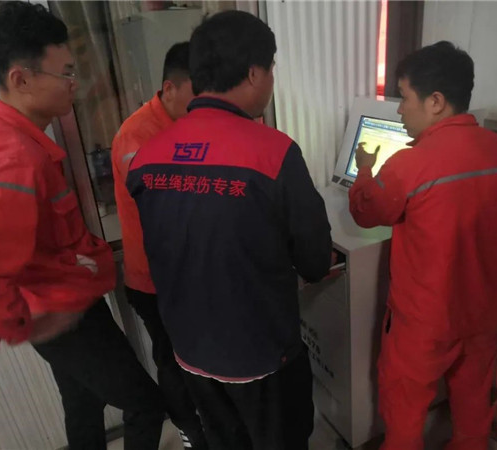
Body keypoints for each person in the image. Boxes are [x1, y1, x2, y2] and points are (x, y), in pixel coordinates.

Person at [127, 10, 332, 450]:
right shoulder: (273, 153)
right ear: (255, 72)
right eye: (271, 69)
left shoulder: (147, 158)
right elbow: (316, 262)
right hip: (262, 356)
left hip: (191, 352)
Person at [0, 3, 165, 449]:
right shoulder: (15, 160)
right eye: (64, 73)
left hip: (63, 306)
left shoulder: (8, 137)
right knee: (145, 404)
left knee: (83, 403)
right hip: (64, 317)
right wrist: (24, 322)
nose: (74, 83)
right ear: (21, 79)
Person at [348, 41, 497, 450]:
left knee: (404, 414)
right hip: (485, 316)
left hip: (423, 324)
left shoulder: (409, 164)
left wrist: (363, 170)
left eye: (404, 97)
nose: (400, 110)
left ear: (435, 102)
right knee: (472, 409)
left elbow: (366, 212)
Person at [111, 42, 207, 449]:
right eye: (196, 98)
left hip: (190, 273)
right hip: (155, 281)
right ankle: (190, 432)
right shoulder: (136, 137)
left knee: (200, 356)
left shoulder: (191, 123)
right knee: (173, 360)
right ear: (170, 88)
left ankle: (208, 423)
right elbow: (169, 210)